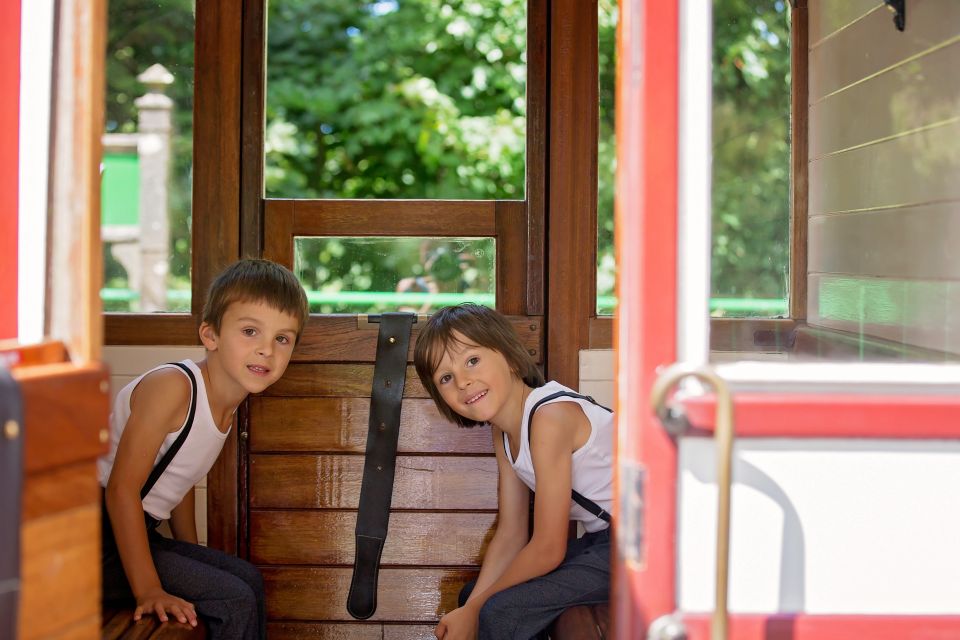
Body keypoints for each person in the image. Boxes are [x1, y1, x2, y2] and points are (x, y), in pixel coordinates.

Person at [98, 259, 309, 639]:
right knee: (233, 598)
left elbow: (178, 482)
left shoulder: (226, 404)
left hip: (135, 532)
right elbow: (120, 491)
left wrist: (192, 555)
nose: (266, 350)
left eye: (282, 338)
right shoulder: (174, 386)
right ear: (210, 336)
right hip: (96, 539)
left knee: (247, 578)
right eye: (250, 331)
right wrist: (150, 589)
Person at [413, 304, 613, 640]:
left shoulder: (549, 418)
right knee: (472, 595)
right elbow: (511, 533)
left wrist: (477, 610)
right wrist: (471, 605)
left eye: (472, 360)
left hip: (652, 545)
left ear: (510, 358)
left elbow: (549, 548)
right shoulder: (504, 431)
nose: (463, 381)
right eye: (446, 378)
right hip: (604, 541)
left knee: (499, 610)